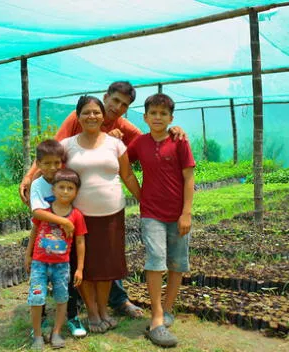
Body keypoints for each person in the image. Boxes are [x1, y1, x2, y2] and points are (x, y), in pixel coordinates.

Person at [19, 81, 187, 320]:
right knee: (77, 259)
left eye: (124, 105)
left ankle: (115, 302)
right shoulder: (75, 123)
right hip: (77, 209)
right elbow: (52, 155)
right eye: (115, 100)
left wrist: (172, 130)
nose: (117, 107)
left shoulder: (120, 129)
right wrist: (30, 178)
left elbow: (150, 139)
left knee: (108, 261)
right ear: (105, 97)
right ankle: (71, 307)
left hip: (111, 210)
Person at [59, 95, 141, 333]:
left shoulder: (115, 144)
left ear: (103, 115)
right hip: (80, 217)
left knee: (106, 266)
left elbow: (127, 176)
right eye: (86, 112)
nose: (92, 116)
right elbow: (55, 176)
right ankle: (93, 313)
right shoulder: (67, 146)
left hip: (112, 214)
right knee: (85, 266)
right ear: (78, 116)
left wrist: (144, 199)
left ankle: (104, 309)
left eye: (96, 112)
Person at [126, 93, 195, 347]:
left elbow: (189, 178)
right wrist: (140, 195)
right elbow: (124, 163)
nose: (157, 118)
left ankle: (167, 309)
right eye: (153, 113)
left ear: (171, 118)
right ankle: (156, 317)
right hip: (151, 213)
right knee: (155, 260)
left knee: (177, 263)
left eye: (163, 114)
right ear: (144, 117)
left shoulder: (179, 141)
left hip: (178, 214)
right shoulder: (139, 143)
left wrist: (186, 213)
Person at [28, 139, 87, 338]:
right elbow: (36, 212)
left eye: (56, 163)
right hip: (42, 249)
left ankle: (72, 317)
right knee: (39, 285)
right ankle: (41, 321)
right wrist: (64, 222)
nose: (52, 168)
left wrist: (70, 224)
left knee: (67, 285)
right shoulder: (37, 184)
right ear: (38, 164)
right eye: (46, 163)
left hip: (66, 247)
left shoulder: (65, 179)